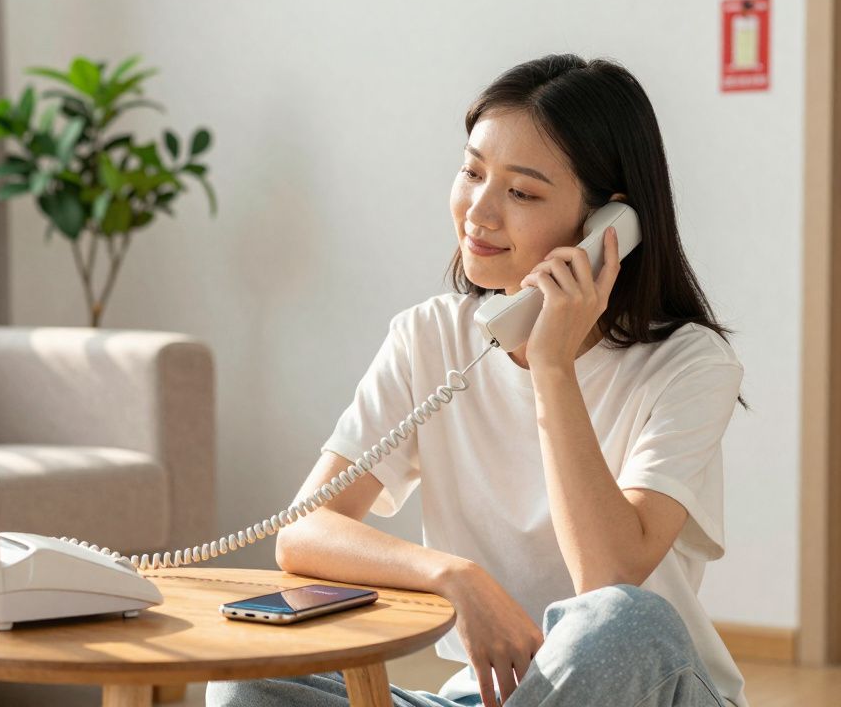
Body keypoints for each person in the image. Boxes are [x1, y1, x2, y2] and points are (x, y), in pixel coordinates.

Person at [206, 53, 749, 707]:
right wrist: (452, 577)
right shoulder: (428, 338)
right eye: (472, 172)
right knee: (247, 678)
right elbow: (305, 532)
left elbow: (608, 576)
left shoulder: (690, 364)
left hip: (650, 690)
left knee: (627, 622)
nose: (479, 212)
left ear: (610, 228)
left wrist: (551, 365)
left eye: (521, 192)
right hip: (487, 701)